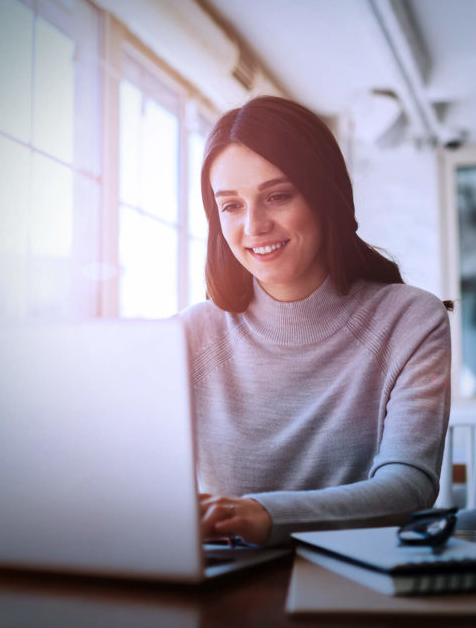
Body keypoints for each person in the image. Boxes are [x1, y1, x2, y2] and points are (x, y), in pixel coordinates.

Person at [180, 96, 452, 547]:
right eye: (231, 205)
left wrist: (266, 515)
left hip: (358, 583)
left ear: (325, 195)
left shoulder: (409, 320)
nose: (254, 225)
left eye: (277, 196)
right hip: (223, 586)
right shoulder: (188, 336)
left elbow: (409, 488)